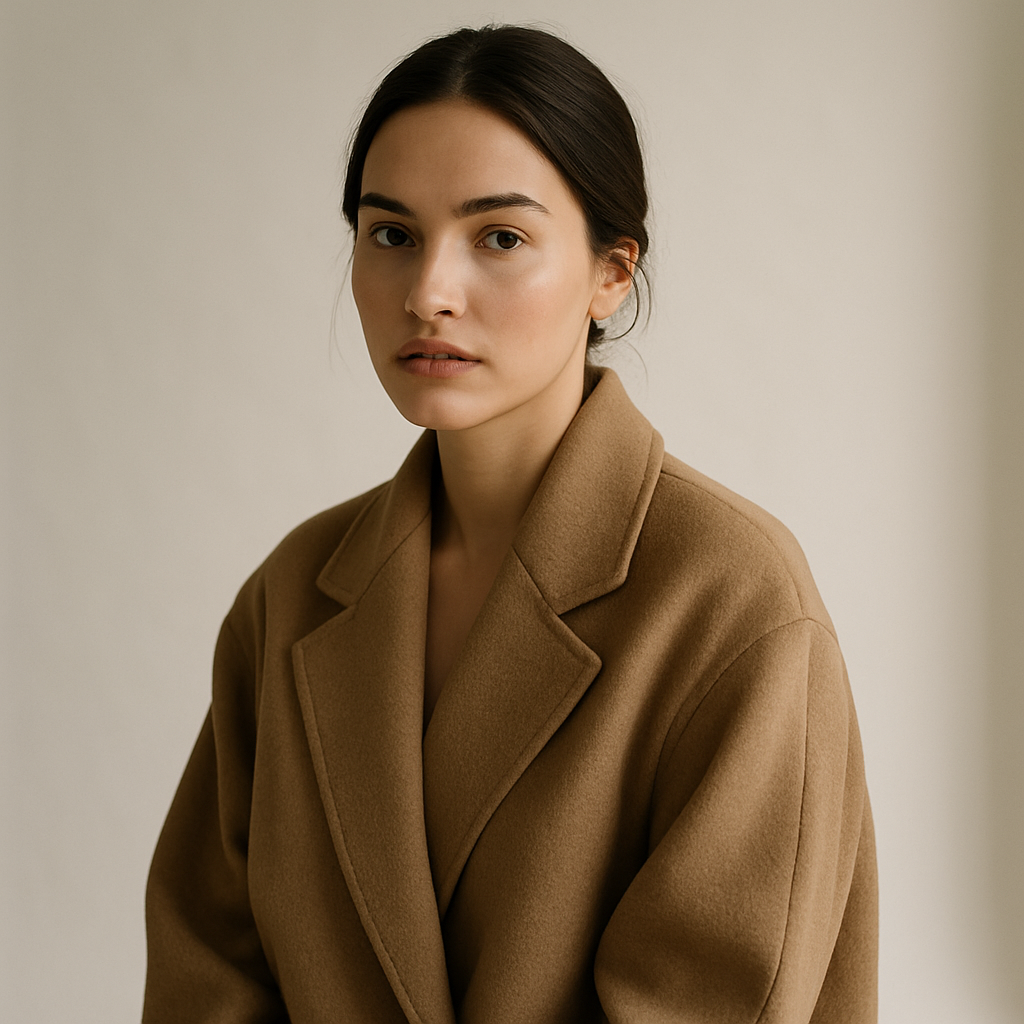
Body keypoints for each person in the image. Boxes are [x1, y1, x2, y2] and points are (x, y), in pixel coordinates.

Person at [142, 24, 877, 1024]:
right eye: (390, 232)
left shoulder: (731, 598)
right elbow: (206, 976)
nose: (428, 293)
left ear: (611, 273)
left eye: (500, 236)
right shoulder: (292, 596)